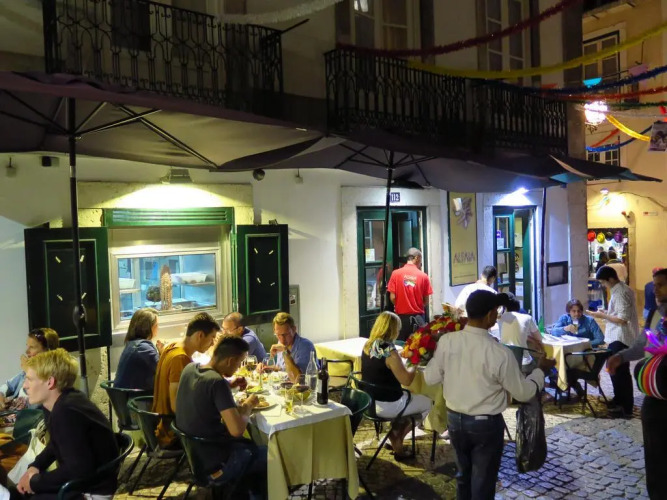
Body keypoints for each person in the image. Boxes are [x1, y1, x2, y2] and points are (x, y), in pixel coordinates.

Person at [424, 291, 555, 500]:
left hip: (455, 421)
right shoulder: (499, 353)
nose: (497, 316)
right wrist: (541, 371)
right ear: (489, 315)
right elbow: (523, 392)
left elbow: (430, 377)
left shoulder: (447, 342)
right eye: (496, 312)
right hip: (485, 426)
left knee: (463, 477)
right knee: (482, 483)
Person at [13, 349, 119, 499]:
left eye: (29, 379)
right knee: (17, 493)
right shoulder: (65, 401)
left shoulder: (65, 411)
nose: (24, 385)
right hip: (86, 483)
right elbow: (57, 443)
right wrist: (36, 466)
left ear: (50, 382)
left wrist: (35, 483)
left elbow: (77, 469)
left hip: (91, 492)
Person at [175, 336, 267, 500]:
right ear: (230, 360)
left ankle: (243, 492)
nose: (238, 368)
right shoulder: (217, 383)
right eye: (239, 363)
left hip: (194, 458)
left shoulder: (190, 368)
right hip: (216, 466)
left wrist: (229, 384)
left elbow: (205, 391)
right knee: (269, 454)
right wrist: (249, 404)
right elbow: (237, 431)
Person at [607, 268, 667, 499]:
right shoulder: (656, 315)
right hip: (655, 399)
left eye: (661, 285)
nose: (655, 290)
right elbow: (645, 344)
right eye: (655, 284)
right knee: (655, 456)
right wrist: (621, 357)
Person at [361, 312, 432, 459]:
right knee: (427, 402)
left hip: (369, 402)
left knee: (409, 397)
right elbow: (406, 380)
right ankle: (397, 436)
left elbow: (382, 361)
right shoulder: (390, 353)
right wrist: (414, 363)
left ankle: (394, 432)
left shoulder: (368, 345)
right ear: (393, 329)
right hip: (388, 405)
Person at [152, 312, 220, 448]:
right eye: (212, 338)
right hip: (174, 432)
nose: (213, 343)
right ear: (200, 335)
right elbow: (176, 407)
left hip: (163, 424)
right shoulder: (180, 358)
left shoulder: (172, 347)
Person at [587, 265, 639, 418]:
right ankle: (619, 400)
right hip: (618, 337)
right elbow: (618, 313)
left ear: (610, 279)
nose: (603, 285)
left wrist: (602, 316)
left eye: (603, 282)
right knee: (615, 371)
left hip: (620, 338)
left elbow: (622, 319)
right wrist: (606, 312)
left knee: (620, 373)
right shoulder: (620, 289)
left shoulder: (621, 292)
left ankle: (625, 407)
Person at [0, 328, 59, 414]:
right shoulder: (26, 371)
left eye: (32, 347)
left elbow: (36, 405)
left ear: (47, 351)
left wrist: (29, 371)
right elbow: (8, 385)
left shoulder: (53, 377)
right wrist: (1, 395)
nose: (26, 351)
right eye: (27, 346)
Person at [387, 248, 433, 341]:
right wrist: (415, 305)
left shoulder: (395, 274)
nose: (421, 264)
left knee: (400, 346)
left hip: (400, 319)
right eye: (421, 260)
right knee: (418, 346)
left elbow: (392, 297)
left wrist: (401, 305)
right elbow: (426, 301)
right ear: (417, 258)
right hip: (418, 319)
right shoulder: (423, 276)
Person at [114, 308, 164, 391]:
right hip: (136, 397)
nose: (158, 328)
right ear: (148, 328)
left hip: (124, 395)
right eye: (156, 325)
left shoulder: (133, 344)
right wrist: (163, 353)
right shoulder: (143, 348)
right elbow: (163, 372)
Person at [265, 312, 317, 383]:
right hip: (284, 386)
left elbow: (297, 380)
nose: (282, 339)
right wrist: (266, 368)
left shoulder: (305, 346)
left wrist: (285, 352)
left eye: (286, 334)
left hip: (303, 388)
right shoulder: (281, 342)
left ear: (294, 329)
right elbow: (282, 369)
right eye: (278, 335)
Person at [498, 297, 545, 373]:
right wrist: (533, 340)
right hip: (524, 364)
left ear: (505, 308)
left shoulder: (500, 319)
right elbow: (539, 338)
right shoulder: (527, 318)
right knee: (540, 360)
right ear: (518, 307)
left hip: (506, 363)